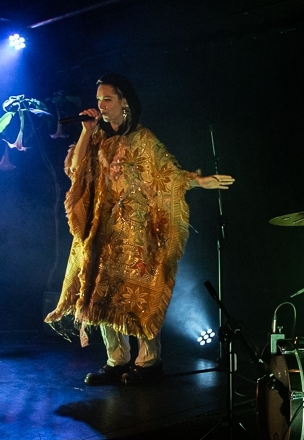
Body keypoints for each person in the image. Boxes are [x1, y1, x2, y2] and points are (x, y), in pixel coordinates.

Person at [45, 73, 234, 386]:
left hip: (136, 231)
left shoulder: (143, 139)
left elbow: (167, 174)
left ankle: (148, 362)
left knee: (138, 296)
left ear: (125, 102)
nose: (101, 106)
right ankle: (115, 360)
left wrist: (198, 181)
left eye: (107, 99)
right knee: (101, 293)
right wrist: (86, 132)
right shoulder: (97, 137)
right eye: (98, 100)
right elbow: (75, 170)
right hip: (102, 231)